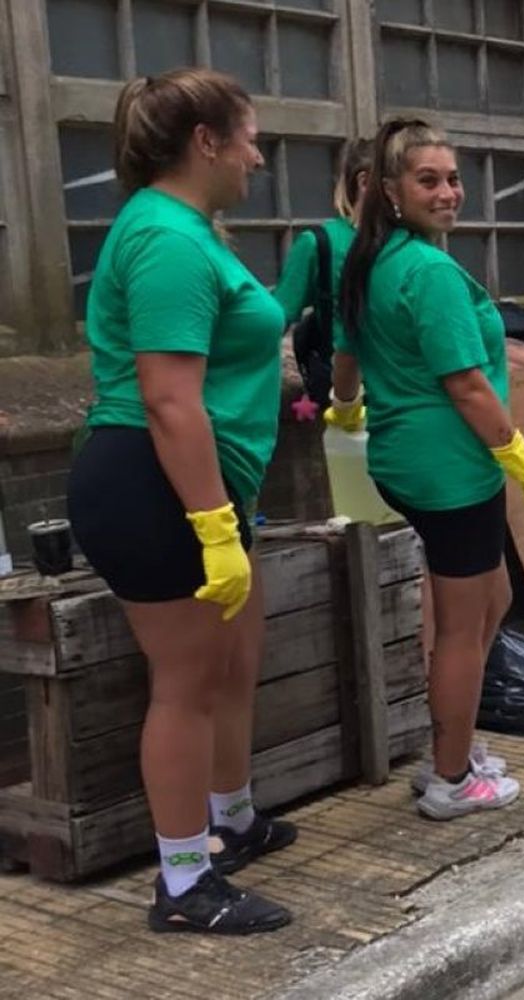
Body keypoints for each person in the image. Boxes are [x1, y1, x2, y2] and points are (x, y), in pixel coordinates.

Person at [65, 69, 294, 934]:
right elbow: (167, 397)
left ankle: (230, 819)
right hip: (151, 484)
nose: (257, 155)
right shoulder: (164, 237)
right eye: (248, 137)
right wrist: (210, 526)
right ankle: (186, 882)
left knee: (234, 661)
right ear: (206, 142)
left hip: (199, 482)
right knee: (187, 682)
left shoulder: (193, 230)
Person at [333, 118, 524, 820]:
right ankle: (451, 778)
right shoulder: (426, 271)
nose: (448, 192)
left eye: (454, 178)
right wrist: (520, 460)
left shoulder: (379, 258)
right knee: (462, 628)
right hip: (451, 468)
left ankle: (455, 742)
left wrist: (345, 407)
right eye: (428, 179)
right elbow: (466, 383)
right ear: (391, 191)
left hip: (411, 458)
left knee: (490, 601)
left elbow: (346, 357)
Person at [273, 137, 373, 337]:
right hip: (337, 364)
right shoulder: (319, 243)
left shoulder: (410, 242)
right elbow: (275, 322)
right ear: (365, 182)